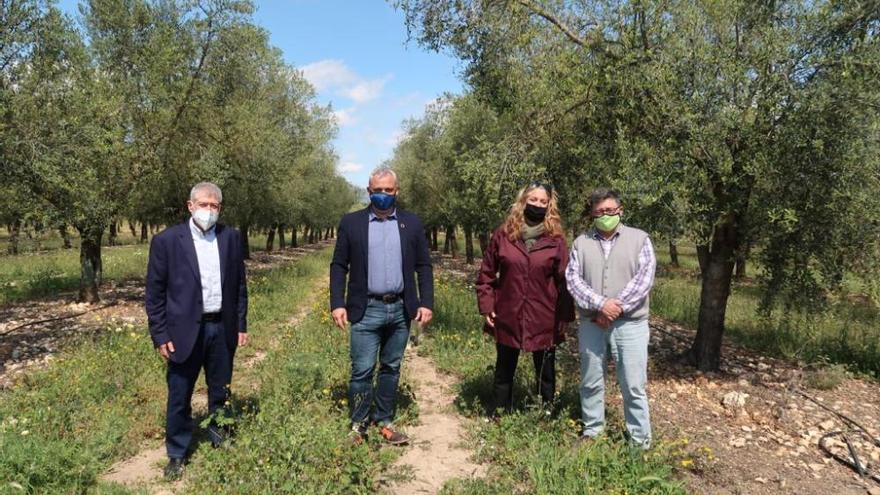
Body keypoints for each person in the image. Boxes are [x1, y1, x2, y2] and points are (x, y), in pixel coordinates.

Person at [145, 182, 248, 479]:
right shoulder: (166, 241)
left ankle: (221, 439)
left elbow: (239, 286)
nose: (209, 210)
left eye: (215, 206)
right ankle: (177, 452)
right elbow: (155, 293)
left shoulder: (230, 238)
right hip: (182, 332)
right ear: (190, 206)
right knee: (180, 394)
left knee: (221, 390)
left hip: (221, 326)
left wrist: (240, 323)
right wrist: (160, 334)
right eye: (204, 204)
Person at [329, 167, 433, 445]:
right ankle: (359, 424)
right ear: (369, 191)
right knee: (362, 370)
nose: (383, 195)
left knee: (391, 367)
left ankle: (385, 420)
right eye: (378, 190)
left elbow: (424, 265)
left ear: (397, 191)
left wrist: (427, 302)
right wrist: (337, 303)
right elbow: (339, 265)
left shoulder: (411, 223)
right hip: (365, 308)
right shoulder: (352, 223)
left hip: (400, 308)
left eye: (389, 190)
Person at [565, 188, 656, 449]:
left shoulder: (640, 239)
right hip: (592, 323)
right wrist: (601, 305)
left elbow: (644, 279)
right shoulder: (581, 242)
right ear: (592, 214)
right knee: (591, 380)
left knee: (633, 385)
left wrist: (616, 308)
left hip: (631, 324)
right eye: (599, 211)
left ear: (620, 210)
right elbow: (574, 280)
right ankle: (593, 432)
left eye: (609, 210)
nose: (605, 215)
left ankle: (639, 442)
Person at [475, 182, 574, 417]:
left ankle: (546, 413)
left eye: (543, 201)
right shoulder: (504, 234)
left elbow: (565, 280)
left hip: (544, 315)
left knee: (546, 370)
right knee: (504, 368)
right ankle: (499, 414)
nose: (537, 205)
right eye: (533, 200)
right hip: (508, 312)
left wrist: (565, 317)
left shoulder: (556, 239)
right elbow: (486, 273)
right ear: (523, 201)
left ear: (549, 206)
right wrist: (487, 305)